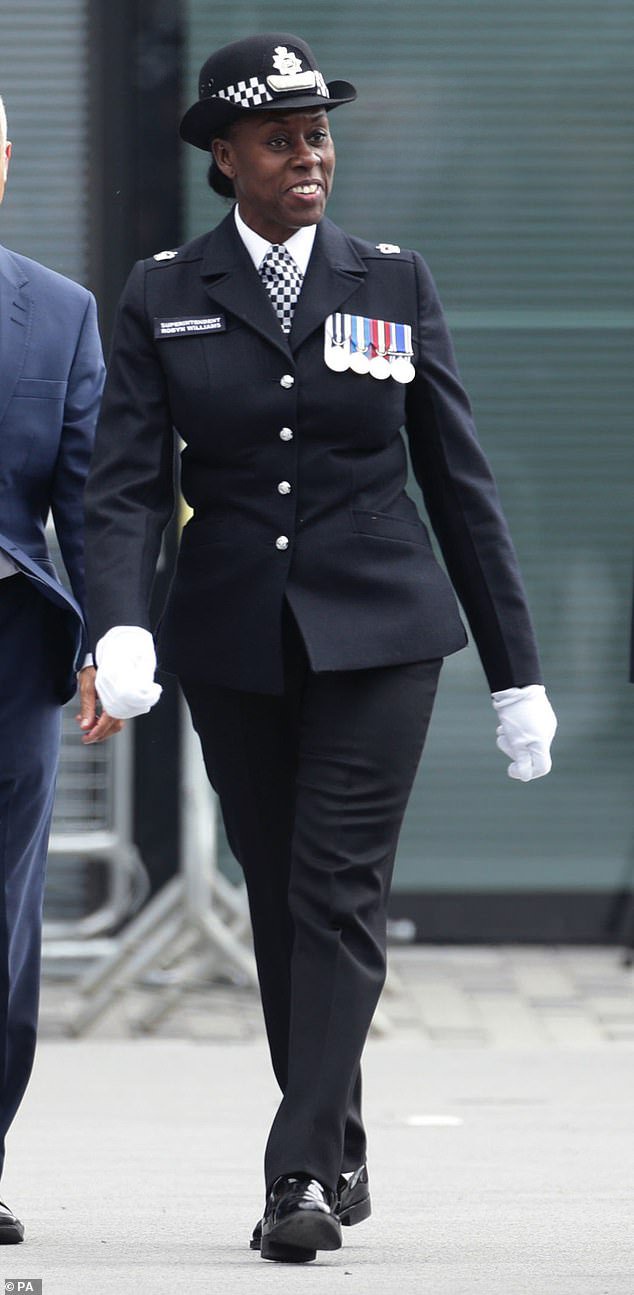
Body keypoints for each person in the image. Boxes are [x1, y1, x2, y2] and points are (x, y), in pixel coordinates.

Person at [84, 33, 557, 1263]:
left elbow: (458, 483)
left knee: (337, 888)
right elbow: (126, 480)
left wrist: (516, 671)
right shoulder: (163, 292)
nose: (309, 156)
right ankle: (337, 1138)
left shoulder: (391, 280)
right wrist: (118, 617)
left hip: (383, 630)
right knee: (282, 895)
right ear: (224, 157)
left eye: (319, 135)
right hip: (233, 635)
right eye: (280, 140)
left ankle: (294, 1168)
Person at [0, 94, 117, 1242]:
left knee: (4, 913)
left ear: (2, 161)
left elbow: (89, 497)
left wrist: (103, 638)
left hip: (10, 647)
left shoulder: (59, 312)